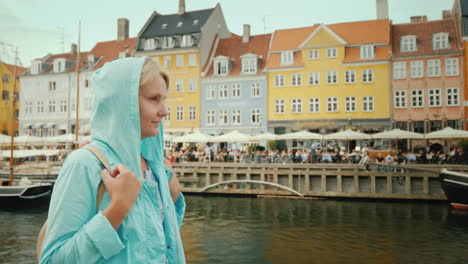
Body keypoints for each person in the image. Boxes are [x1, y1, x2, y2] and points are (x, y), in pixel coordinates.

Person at [39, 57, 186, 263]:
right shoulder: (84, 164)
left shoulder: (156, 165)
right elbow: (53, 260)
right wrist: (117, 209)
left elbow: (156, 246)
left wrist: (173, 195)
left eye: (164, 99)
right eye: (154, 99)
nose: (164, 111)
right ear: (123, 104)